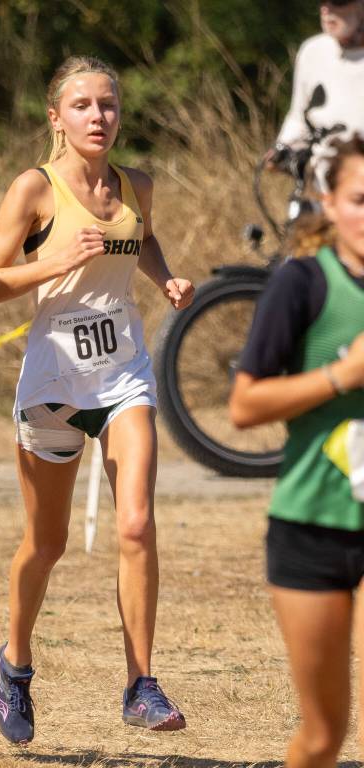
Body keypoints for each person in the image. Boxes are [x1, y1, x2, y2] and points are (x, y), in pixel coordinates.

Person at [0, 56, 195, 744]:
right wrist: (57, 261)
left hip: (123, 374)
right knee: (48, 542)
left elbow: (144, 233)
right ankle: (16, 662)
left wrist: (163, 278)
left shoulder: (138, 186)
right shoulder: (34, 191)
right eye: (82, 106)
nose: (97, 117)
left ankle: (141, 683)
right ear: (56, 118)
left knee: (136, 525)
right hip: (53, 384)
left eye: (107, 105)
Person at [229, 135, 364, 768]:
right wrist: (343, 376)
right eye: (360, 199)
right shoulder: (303, 284)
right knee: (322, 738)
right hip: (312, 526)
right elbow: (245, 406)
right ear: (330, 204)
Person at [272, 1, 364, 155]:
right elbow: (299, 118)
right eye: (321, 0)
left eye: (338, 1)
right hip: (321, 171)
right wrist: (281, 147)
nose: (326, 9)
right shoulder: (313, 51)